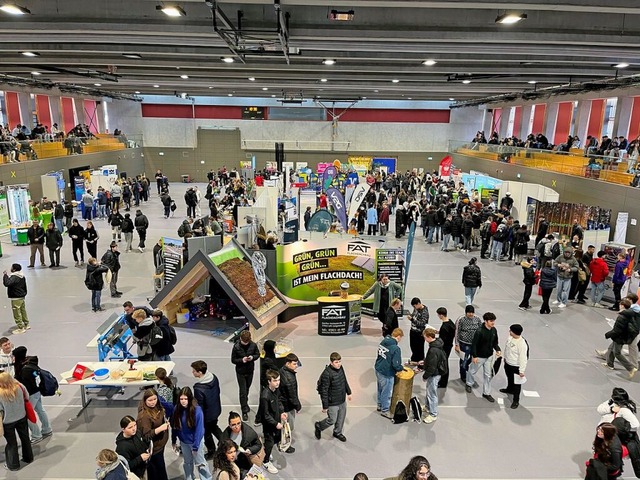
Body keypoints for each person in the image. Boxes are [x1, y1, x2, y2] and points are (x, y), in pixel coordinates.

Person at [171, 387, 212, 480]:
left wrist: (195, 446)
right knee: (187, 463)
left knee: (200, 463)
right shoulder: (176, 409)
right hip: (184, 442)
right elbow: (174, 426)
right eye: (181, 399)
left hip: (196, 441)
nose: (183, 401)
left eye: (185, 399)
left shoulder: (197, 411)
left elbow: (199, 430)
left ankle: (206, 478)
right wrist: (173, 440)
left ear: (190, 398)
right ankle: (189, 478)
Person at [13, 346, 52, 444]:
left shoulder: (25, 369)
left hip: (31, 394)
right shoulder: (29, 363)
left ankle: (36, 435)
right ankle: (47, 429)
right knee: (40, 410)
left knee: (28, 415)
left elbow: (26, 384)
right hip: (36, 392)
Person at [315, 352, 352, 442]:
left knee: (341, 418)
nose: (339, 364)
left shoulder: (341, 368)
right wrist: (325, 406)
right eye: (336, 362)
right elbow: (324, 391)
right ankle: (319, 426)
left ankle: (337, 432)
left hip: (342, 399)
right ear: (331, 362)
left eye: (339, 361)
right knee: (332, 420)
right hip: (332, 402)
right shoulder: (326, 374)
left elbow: (344, 380)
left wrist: (349, 392)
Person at [0, 372, 34, 471]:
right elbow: (27, 397)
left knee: (12, 443)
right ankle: (28, 458)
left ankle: (13, 465)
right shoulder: (19, 387)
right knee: (25, 438)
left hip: (8, 421)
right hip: (21, 417)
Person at [466, 312, 501, 402]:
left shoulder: (494, 330)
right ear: (485, 321)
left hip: (489, 356)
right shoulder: (479, 331)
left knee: (488, 375)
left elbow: (495, 342)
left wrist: (497, 349)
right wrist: (474, 356)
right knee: (472, 370)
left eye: (494, 321)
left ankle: (486, 393)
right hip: (479, 356)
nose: (493, 323)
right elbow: (474, 345)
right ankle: (469, 383)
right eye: (491, 321)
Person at [136, 388, 170, 480]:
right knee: (157, 472)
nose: (153, 402)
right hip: (153, 450)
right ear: (145, 400)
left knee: (157, 470)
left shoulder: (158, 407)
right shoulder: (144, 416)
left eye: (155, 399)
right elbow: (146, 435)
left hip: (160, 445)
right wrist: (160, 428)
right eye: (150, 400)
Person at [191, 360, 222, 460]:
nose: (192, 372)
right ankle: (225, 442)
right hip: (216, 409)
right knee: (215, 427)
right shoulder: (213, 377)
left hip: (207, 416)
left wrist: (198, 419)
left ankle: (211, 451)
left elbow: (200, 406)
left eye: (194, 371)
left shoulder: (198, 388)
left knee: (207, 433)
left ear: (200, 373)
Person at [259, 369, 287, 474]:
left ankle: (266, 450)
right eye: (275, 380)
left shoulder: (276, 390)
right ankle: (265, 462)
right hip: (269, 425)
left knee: (275, 440)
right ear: (269, 381)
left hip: (276, 420)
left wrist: (282, 412)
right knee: (270, 442)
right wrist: (276, 424)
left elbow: (278, 401)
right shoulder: (265, 396)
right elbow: (265, 415)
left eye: (278, 380)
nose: (278, 382)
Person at [602, 298, 638, 378]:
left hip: (620, 337)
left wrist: (608, 334)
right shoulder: (631, 314)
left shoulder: (622, 316)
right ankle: (609, 364)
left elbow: (617, 330)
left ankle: (631, 368)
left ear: (622, 305)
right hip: (623, 336)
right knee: (611, 349)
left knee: (617, 353)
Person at [374, 328, 404, 419]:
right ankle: (385, 410)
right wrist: (401, 368)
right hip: (387, 372)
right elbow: (396, 364)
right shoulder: (396, 348)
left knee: (380, 388)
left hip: (378, 368)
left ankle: (379, 404)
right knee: (386, 392)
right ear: (398, 337)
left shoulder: (383, 342)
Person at [230, 330, 259, 422]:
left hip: (250, 371)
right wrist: (241, 360)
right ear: (240, 339)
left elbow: (257, 354)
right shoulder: (236, 347)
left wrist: (252, 358)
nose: (246, 344)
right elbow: (233, 360)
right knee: (243, 391)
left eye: (247, 342)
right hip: (240, 372)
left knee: (247, 389)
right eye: (244, 342)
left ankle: (245, 404)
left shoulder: (253, 345)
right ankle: (244, 410)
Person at [421, 327, 448, 424]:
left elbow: (432, 366)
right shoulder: (437, 343)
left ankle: (433, 414)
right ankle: (427, 407)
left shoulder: (433, 350)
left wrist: (425, 376)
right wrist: (424, 362)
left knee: (432, 394)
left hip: (434, 374)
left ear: (428, 337)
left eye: (425, 337)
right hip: (436, 372)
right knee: (429, 390)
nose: (424, 339)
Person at [500, 324, 528, 409]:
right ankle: (509, 389)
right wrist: (505, 358)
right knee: (509, 378)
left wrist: (522, 371)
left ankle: (516, 400)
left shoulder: (522, 343)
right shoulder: (510, 338)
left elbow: (523, 358)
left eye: (510, 330)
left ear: (514, 332)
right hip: (508, 363)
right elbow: (507, 348)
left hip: (516, 366)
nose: (509, 332)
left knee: (517, 384)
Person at [115, 415, 150, 480]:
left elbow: (142, 442)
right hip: (135, 475)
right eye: (130, 427)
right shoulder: (122, 447)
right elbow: (126, 466)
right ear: (123, 429)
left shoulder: (137, 433)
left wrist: (146, 447)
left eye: (135, 425)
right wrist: (140, 458)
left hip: (143, 469)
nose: (134, 429)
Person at [454, 305, 482, 382]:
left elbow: (481, 330)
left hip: (474, 344)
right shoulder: (461, 319)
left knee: (473, 359)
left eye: (472, 313)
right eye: (469, 313)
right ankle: (463, 375)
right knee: (464, 359)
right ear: (466, 312)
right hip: (464, 344)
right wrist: (457, 344)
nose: (471, 314)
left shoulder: (477, 319)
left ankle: (466, 368)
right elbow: (457, 332)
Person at [278, 353, 301, 450]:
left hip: (282, 404)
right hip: (287, 406)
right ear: (288, 363)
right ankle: (284, 445)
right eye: (294, 364)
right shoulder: (289, 378)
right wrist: (298, 406)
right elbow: (292, 395)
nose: (296, 366)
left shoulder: (282, 370)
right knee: (288, 427)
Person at [3, 263, 30, 334]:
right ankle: (26, 324)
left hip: (16, 297)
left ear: (14, 269)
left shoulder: (14, 277)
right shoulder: (22, 276)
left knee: (16, 312)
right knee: (23, 310)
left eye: (11, 267)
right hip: (21, 296)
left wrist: (5, 275)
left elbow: (7, 283)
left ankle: (20, 327)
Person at [407, 297, 431, 364]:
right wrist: (411, 316)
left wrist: (412, 319)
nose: (414, 308)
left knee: (419, 348)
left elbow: (422, 324)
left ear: (418, 303)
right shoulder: (416, 308)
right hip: (413, 331)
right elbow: (414, 315)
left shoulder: (425, 312)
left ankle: (420, 362)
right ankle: (414, 359)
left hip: (419, 332)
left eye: (415, 306)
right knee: (413, 346)